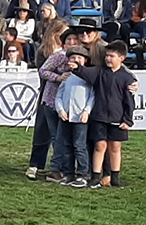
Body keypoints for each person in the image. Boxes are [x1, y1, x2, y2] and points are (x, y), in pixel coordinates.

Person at [69, 41, 135, 188]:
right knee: (99, 146)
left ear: (122, 58)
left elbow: (129, 101)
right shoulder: (99, 72)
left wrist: (128, 120)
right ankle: (95, 176)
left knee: (115, 147)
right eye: (106, 56)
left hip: (118, 119)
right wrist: (76, 67)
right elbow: (85, 72)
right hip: (99, 117)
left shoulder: (127, 78)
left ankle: (115, 177)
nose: (108, 59)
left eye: (111, 56)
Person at [28, 25, 76, 180]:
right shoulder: (59, 56)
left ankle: (65, 167)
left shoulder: (81, 57)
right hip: (51, 100)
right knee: (55, 136)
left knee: (66, 136)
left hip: (71, 102)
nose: (72, 42)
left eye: (74, 39)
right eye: (69, 40)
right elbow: (43, 70)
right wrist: (57, 77)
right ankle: (56, 167)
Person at [52, 46, 94, 188]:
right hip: (66, 116)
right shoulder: (67, 77)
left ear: (85, 61)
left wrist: (87, 111)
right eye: (72, 58)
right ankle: (69, 172)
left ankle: (83, 173)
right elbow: (59, 95)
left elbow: (92, 97)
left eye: (79, 58)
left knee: (80, 146)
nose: (75, 60)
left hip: (80, 117)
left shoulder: (87, 78)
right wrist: (60, 110)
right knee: (66, 145)